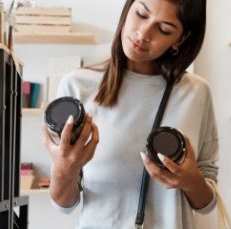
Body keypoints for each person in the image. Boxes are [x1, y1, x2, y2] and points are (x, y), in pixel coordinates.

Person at [42, 0, 217, 228]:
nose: (143, 33)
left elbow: (207, 203)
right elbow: (64, 204)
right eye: (142, 14)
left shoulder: (196, 92)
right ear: (128, 8)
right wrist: (66, 169)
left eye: (163, 29)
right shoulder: (77, 86)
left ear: (180, 40)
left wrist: (191, 181)